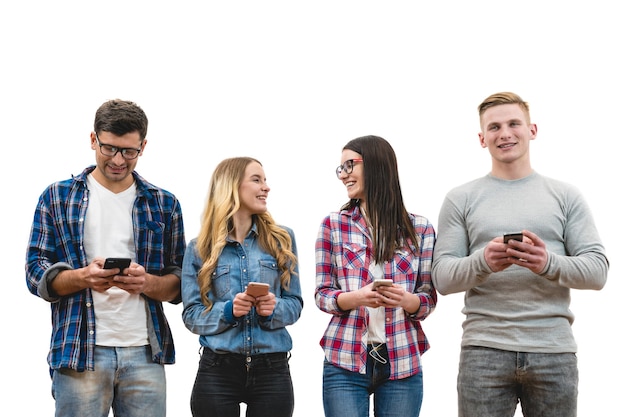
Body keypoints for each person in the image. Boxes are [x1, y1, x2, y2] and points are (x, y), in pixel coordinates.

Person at [432, 92, 609, 417]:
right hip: (483, 350)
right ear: (482, 138)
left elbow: (597, 271)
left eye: (514, 123)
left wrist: (547, 263)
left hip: (553, 351)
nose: (505, 133)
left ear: (532, 130)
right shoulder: (461, 198)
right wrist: (484, 261)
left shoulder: (565, 196)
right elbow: (441, 277)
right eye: (495, 127)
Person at [25, 99, 187, 417]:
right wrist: (82, 277)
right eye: (109, 148)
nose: (118, 160)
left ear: (143, 146)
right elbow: (34, 270)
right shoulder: (57, 197)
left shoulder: (164, 204)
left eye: (129, 151)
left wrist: (147, 283)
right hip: (78, 351)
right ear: (92, 140)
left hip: (145, 352)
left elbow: (182, 282)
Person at [315, 135, 437, 417]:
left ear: (376, 165)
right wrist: (355, 298)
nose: (343, 175)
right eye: (340, 168)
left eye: (349, 165)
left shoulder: (420, 229)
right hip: (345, 361)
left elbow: (428, 299)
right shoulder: (333, 225)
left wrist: (407, 300)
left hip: (402, 361)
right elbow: (322, 295)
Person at [181, 157, 303, 417]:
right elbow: (191, 315)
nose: (266, 187)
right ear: (232, 187)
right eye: (257, 180)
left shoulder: (283, 239)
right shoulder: (198, 247)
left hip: (273, 370)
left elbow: (295, 305)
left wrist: (274, 307)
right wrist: (228, 311)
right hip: (217, 370)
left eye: (265, 180)